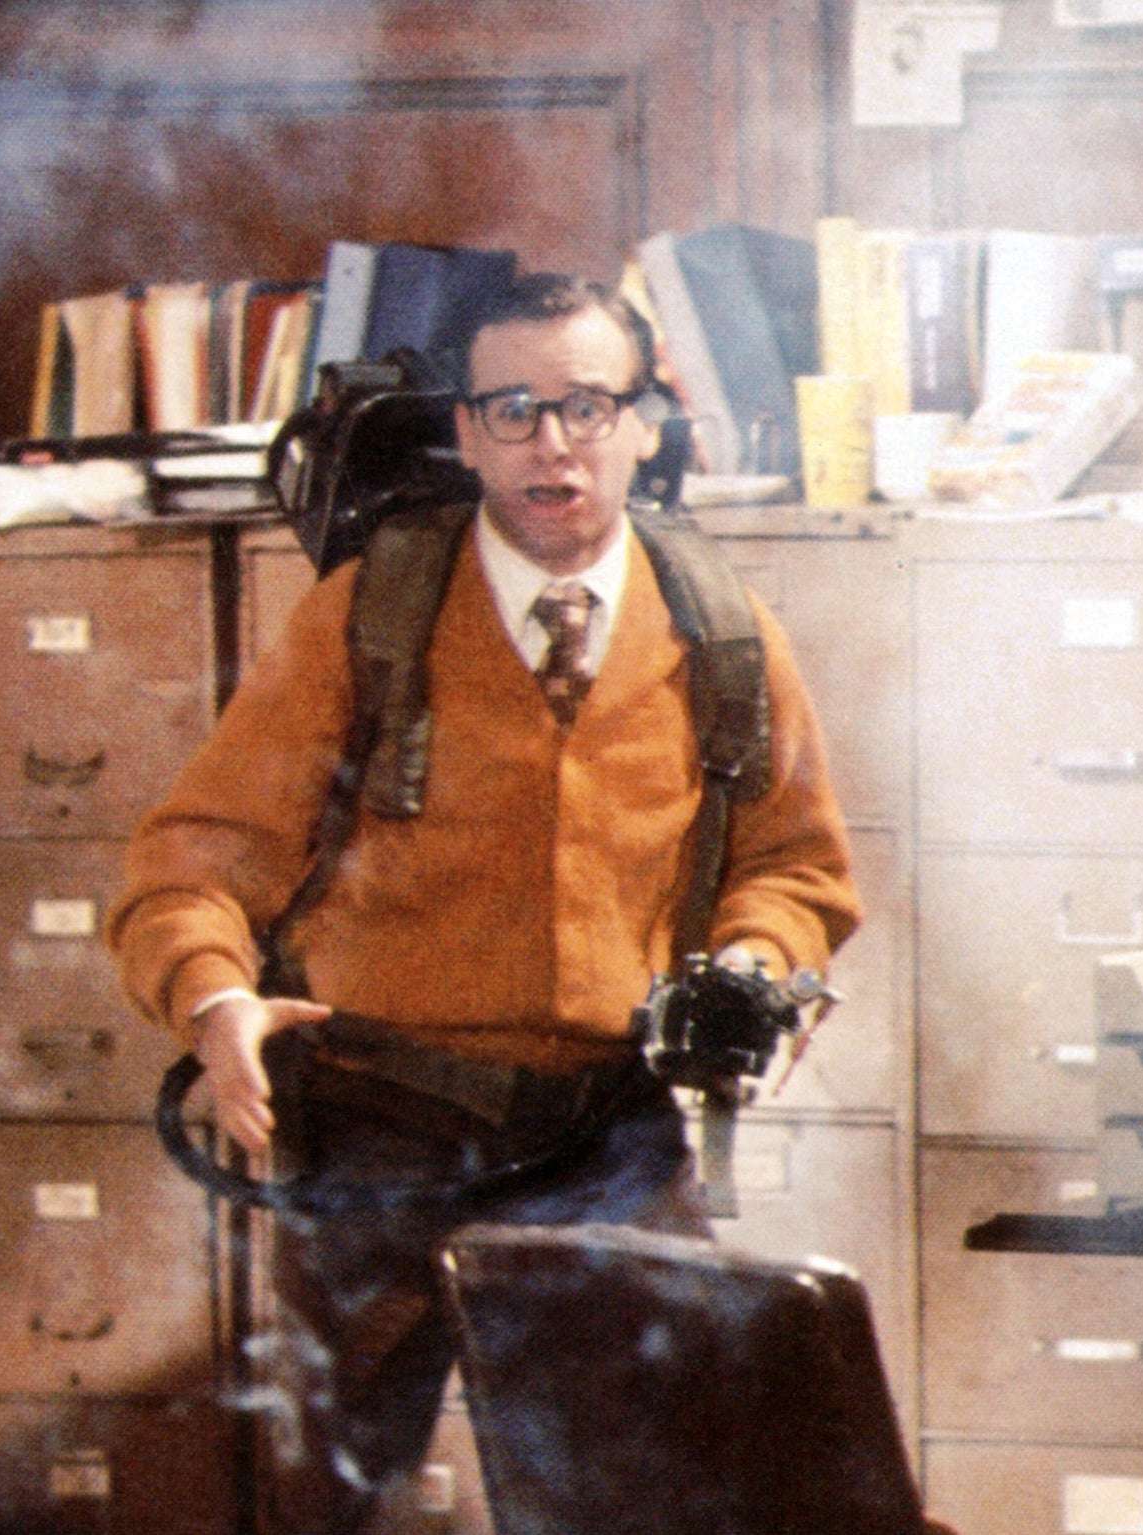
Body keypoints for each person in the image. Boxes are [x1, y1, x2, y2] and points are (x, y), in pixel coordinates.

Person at [107, 271, 860, 1533]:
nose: (551, 444)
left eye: (587, 407)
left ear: (644, 426)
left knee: (645, 1501)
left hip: (609, 1139)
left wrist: (753, 966)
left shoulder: (721, 630)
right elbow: (200, 855)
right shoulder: (369, 617)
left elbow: (795, 866)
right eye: (513, 410)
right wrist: (212, 995)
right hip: (379, 1135)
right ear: (465, 432)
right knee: (335, 1505)